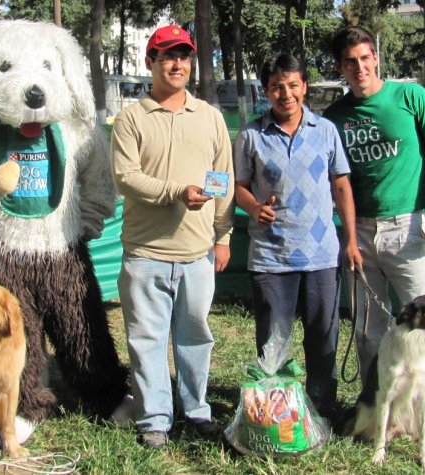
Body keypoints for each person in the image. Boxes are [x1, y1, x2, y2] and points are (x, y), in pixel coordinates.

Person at [323, 26, 425, 451]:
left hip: (409, 228)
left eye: (365, 58)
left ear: (375, 58)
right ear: (341, 67)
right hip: (359, 232)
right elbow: (336, 180)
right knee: (369, 332)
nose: (359, 67)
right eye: (350, 61)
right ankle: (383, 414)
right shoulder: (335, 116)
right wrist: (347, 235)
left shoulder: (410, 96)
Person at [110, 25, 235, 449]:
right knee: (147, 340)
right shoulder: (131, 118)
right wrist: (176, 192)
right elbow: (126, 178)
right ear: (151, 62)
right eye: (168, 56)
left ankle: (196, 410)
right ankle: (154, 420)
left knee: (196, 337)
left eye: (184, 56)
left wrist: (223, 235)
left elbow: (223, 179)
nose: (177, 64)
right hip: (145, 253)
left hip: (198, 253)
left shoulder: (210, 117)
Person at [233, 54, 362, 421]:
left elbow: (341, 186)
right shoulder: (251, 136)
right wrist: (254, 207)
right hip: (271, 257)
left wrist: (351, 240)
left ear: (304, 87)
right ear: (266, 91)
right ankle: (275, 415)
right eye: (277, 87)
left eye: (292, 85)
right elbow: (238, 187)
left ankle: (322, 410)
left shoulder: (326, 131)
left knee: (323, 336)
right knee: (273, 342)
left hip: (322, 255)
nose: (285, 94)